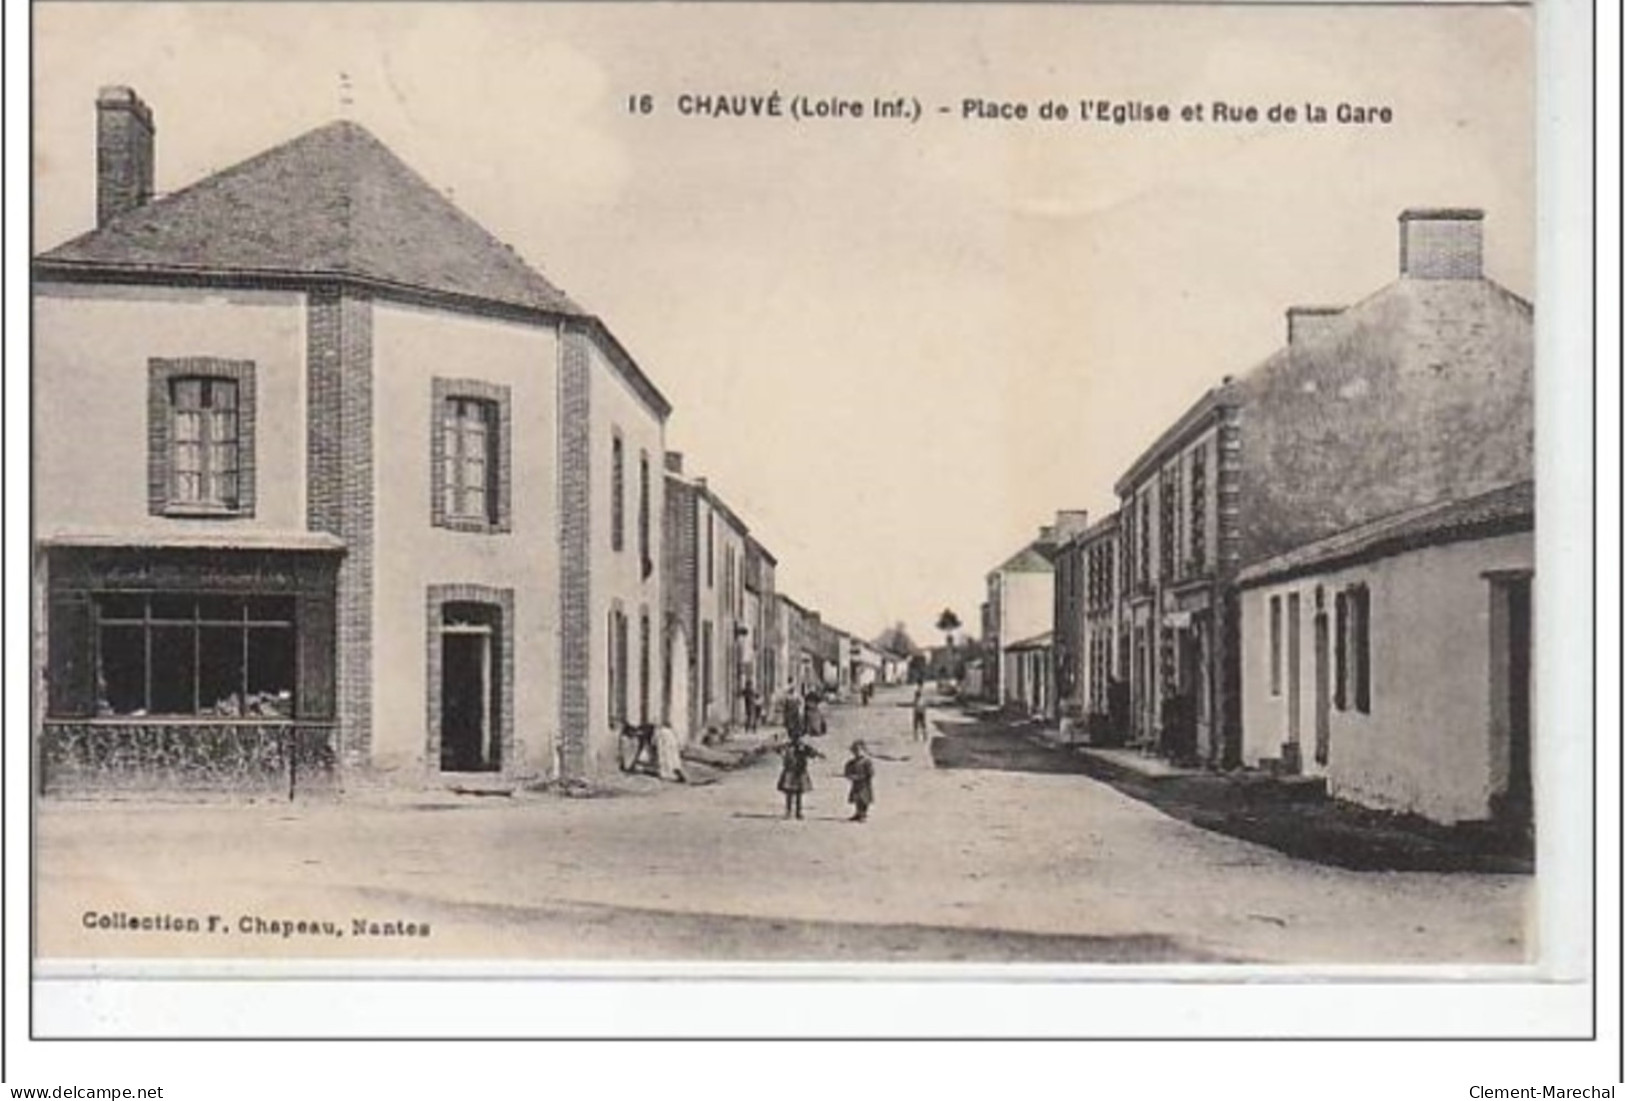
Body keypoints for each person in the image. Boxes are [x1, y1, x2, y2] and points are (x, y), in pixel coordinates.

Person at [776, 731, 822, 820]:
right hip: (790, 770)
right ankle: (788, 811)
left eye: (799, 738)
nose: (797, 740)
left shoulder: (804, 747)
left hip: (800, 771)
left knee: (798, 793)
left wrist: (817, 754)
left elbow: (812, 753)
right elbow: (779, 750)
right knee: (789, 793)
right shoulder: (788, 746)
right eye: (795, 738)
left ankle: (798, 812)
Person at [843, 740, 875, 822]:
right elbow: (847, 770)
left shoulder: (866, 762)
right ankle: (858, 813)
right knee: (857, 798)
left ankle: (863, 814)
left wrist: (862, 777)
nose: (857, 753)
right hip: (856, 784)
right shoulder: (852, 762)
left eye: (859, 750)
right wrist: (849, 775)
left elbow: (871, 773)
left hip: (864, 784)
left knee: (864, 799)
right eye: (855, 751)